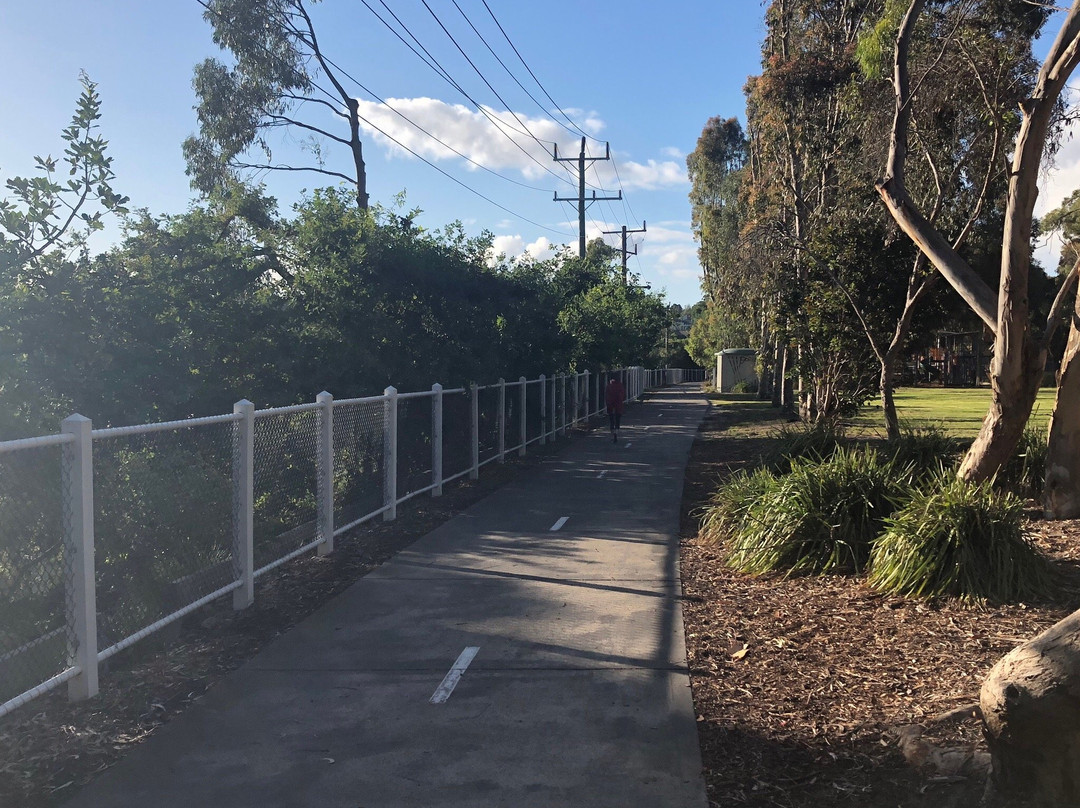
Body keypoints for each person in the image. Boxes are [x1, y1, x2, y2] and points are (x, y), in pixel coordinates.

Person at [605, 375, 626, 443]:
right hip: (618, 404)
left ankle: (612, 432)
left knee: (611, 420)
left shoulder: (609, 386)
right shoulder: (620, 385)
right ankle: (616, 433)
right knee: (617, 420)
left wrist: (608, 402)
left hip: (610, 404)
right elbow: (622, 395)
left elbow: (607, 395)